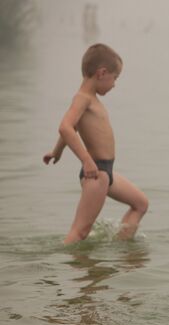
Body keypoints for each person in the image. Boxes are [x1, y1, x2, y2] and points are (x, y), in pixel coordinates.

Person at [43, 43, 148, 245]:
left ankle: (121, 247)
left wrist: (56, 152)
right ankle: (60, 270)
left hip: (106, 172)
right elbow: (65, 127)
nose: (115, 84)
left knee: (140, 204)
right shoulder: (83, 99)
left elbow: (71, 129)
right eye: (115, 78)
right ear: (102, 73)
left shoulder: (91, 99)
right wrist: (86, 160)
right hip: (95, 172)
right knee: (80, 231)